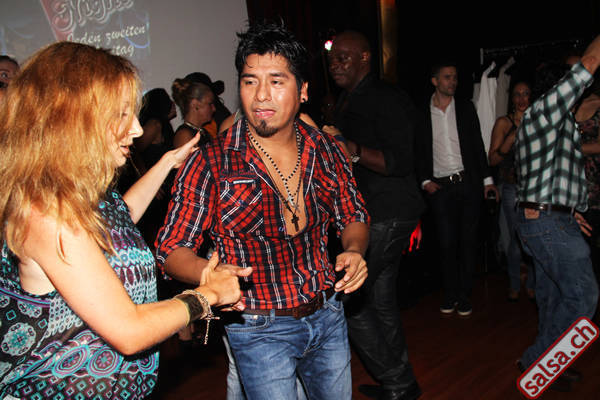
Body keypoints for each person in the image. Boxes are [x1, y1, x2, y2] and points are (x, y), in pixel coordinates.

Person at [0, 42, 249, 399]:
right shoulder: (47, 212)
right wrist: (208, 294)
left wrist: (167, 163)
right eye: (120, 114)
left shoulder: (77, 192)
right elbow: (129, 331)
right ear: (72, 117)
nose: (135, 129)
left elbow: (121, 217)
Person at [155, 21, 369, 399]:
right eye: (250, 81)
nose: (261, 96)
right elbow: (171, 249)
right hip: (257, 326)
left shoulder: (326, 149)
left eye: (276, 81)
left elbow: (353, 213)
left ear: (303, 90)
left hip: (328, 313)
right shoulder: (211, 162)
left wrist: (354, 250)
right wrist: (208, 272)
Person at [324, 30, 424, 400]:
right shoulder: (348, 99)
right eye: (332, 60)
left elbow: (400, 162)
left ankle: (397, 380)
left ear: (365, 57)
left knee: (347, 301)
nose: (335, 65)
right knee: (379, 302)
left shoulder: (386, 98)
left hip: (386, 213)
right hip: (374, 213)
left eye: (344, 58)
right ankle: (400, 384)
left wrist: (349, 147)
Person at [514, 35, 600, 392]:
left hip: (549, 218)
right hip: (547, 223)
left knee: (553, 301)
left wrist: (569, 209)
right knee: (583, 297)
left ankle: (550, 364)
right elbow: (590, 63)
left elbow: (550, 174)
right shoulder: (546, 110)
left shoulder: (554, 123)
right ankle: (538, 361)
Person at [416, 60, 498, 316]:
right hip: (440, 188)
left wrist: (487, 181)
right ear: (435, 81)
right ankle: (450, 293)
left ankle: (464, 295)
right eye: (447, 77)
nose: (453, 82)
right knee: (446, 243)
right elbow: (417, 148)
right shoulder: (421, 111)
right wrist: (424, 180)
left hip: (468, 183)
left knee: (468, 242)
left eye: (454, 77)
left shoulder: (465, 107)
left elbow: (477, 145)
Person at [488, 81, 535, 301]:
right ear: (512, 98)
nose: (522, 99)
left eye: (526, 94)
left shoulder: (539, 120)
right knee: (517, 238)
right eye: (517, 94)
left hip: (536, 189)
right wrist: (511, 138)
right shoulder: (504, 123)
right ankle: (515, 283)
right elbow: (492, 159)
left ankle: (532, 283)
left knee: (533, 237)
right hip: (512, 188)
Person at [171, 77, 216, 148]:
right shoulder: (184, 135)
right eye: (210, 104)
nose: (214, 109)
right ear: (195, 104)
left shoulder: (203, 132)